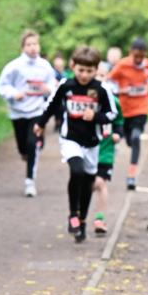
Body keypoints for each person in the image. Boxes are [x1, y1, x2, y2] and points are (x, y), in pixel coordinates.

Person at [34, 46, 117, 243]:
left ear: (96, 70)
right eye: (81, 70)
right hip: (70, 138)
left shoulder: (101, 89)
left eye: (89, 71)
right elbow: (51, 105)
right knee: (77, 172)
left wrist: (96, 116)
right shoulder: (66, 85)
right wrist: (40, 123)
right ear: (73, 66)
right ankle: (72, 214)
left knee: (88, 183)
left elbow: (112, 113)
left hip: (92, 142)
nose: (84, 75)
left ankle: (82, 220)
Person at [0, 30, 57, 197]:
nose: (32, 48)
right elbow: (2, 85)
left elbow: (53, 83)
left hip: (37, 110)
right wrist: (14, 94)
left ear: (39, 46)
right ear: (23, 47)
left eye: (35, 44)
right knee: (24, 148)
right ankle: (30, 149)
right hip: (18, 112)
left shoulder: (44, 65)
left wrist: (48, 88)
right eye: (29, 44)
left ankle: (30, 182)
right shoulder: (13, 66)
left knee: (32, 143)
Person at [106, 37, 148, 190]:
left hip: (141, 107)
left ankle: (132, 176)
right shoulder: (122, 65)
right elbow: (109, 81)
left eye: (142, 56)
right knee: (129, 140)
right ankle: (130, 143)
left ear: (145, 54)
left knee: (136, 137)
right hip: (125, 110)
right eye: (136, 56)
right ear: (131, 53)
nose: (139, 59)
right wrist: (119, 91)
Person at [93, 60, 124, 235]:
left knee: (100, 183)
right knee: (85, 184)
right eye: (95, 75)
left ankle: (100, 219)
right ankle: (78, 217)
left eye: (102, 75)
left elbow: (119, 120)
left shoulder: (113, 100)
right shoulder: (84, 99)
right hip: (87, 149)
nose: (98, 79)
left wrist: (118, 133)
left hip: (106, 149)